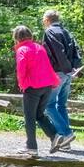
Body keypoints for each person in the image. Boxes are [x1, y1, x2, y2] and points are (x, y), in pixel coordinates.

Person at [12, 25, 61, 156]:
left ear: (16, 38)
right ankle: (55, 135)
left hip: (32, 87)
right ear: (30, 35)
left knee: (29, 117)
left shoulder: (22, 50)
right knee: (39, 114)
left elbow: (21, 70)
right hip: (47, 87)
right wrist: (54, 81)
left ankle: (31, 148)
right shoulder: (40, 47)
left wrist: (22, 85)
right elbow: (48, 66)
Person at [41, 9, 83, 152]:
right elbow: (76, 50)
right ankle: (65, 144)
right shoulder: (66, 32)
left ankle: (66, 134)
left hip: (58, 73)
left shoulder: (50, 32)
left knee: (48, 105)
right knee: (61, 105)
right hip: (68, 73)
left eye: (43, 19)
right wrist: (73, 69)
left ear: (47, 20)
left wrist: (65, 69)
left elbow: (59, 52)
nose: (43, 22)